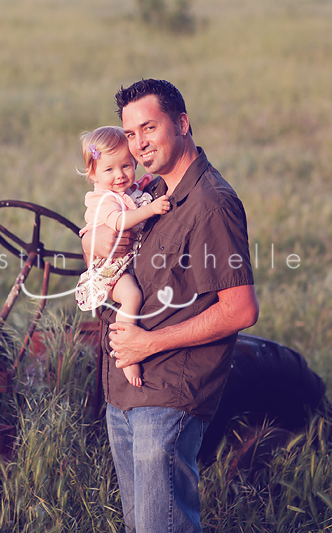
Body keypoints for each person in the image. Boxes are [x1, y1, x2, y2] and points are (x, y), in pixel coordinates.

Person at [81, 79, 259, 532]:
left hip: (169, 391)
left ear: (181, 123)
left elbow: (240, 310)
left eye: (149, 128)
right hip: (126, 387)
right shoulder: (149, 191)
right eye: (131, 134)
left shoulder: (211, 205)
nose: (139, 145)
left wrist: (147, 342)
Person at [75, 126, 172, 387]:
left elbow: (137, 193)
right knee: (132, 296)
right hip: (108, 268)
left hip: (124, 263)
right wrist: (151, 209)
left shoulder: (125, 191)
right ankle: (125, 352)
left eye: (126, 166)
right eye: (109, 170)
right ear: (92, 173)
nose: (119, 175)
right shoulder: (104, 199)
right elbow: (119, 221)